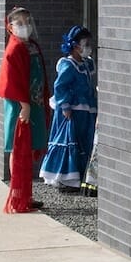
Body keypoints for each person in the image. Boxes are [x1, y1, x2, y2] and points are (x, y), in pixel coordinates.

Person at [0, 6, 49, 212]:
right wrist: (24, 105)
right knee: (18, 149)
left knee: (28, 148)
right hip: (21, 105)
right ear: (10, 26)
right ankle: (18, 196)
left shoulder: (31, 46)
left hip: (33, 104)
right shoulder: (14, 48)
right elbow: (11, 81)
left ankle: (27, 194)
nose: (24, 26)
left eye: (27, 21)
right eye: (19, 23)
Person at [39, 25, 97, 192]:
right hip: (71, 111)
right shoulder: (68, 64)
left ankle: (78, 176)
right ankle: (64, 179)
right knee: (69, 142)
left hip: (86, 110)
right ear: (75, 45)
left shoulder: (86, 64)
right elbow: (60, 86)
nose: (87, 47)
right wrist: (65, 106)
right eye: (85, 43)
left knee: (83, 141)